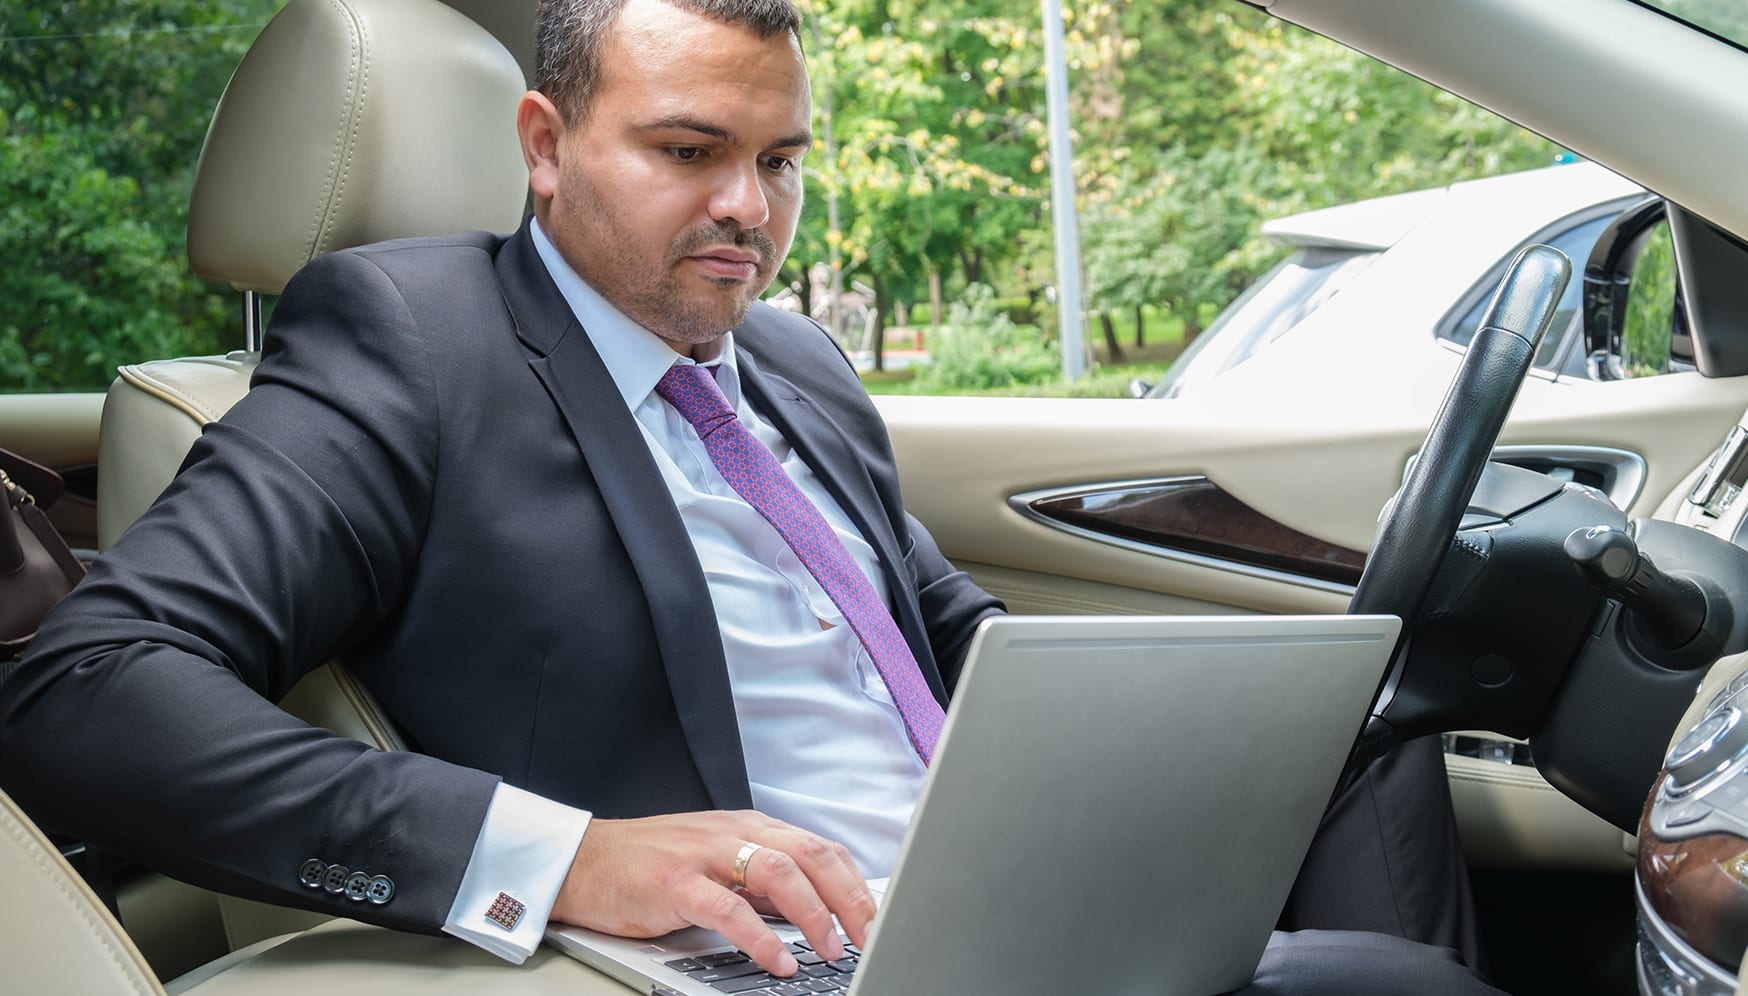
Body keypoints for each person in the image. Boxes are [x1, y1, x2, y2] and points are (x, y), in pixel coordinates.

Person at [0, 0, 1495, 991]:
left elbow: (936, 632)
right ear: (543, 145)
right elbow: (88, 690)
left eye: (781, 160)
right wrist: (566, 852)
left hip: (1007, 911)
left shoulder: (786, 360)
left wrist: (1180, 727)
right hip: (798, 961)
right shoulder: (407, 341)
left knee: (1375, 741)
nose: (747, 208)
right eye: (688, 151)